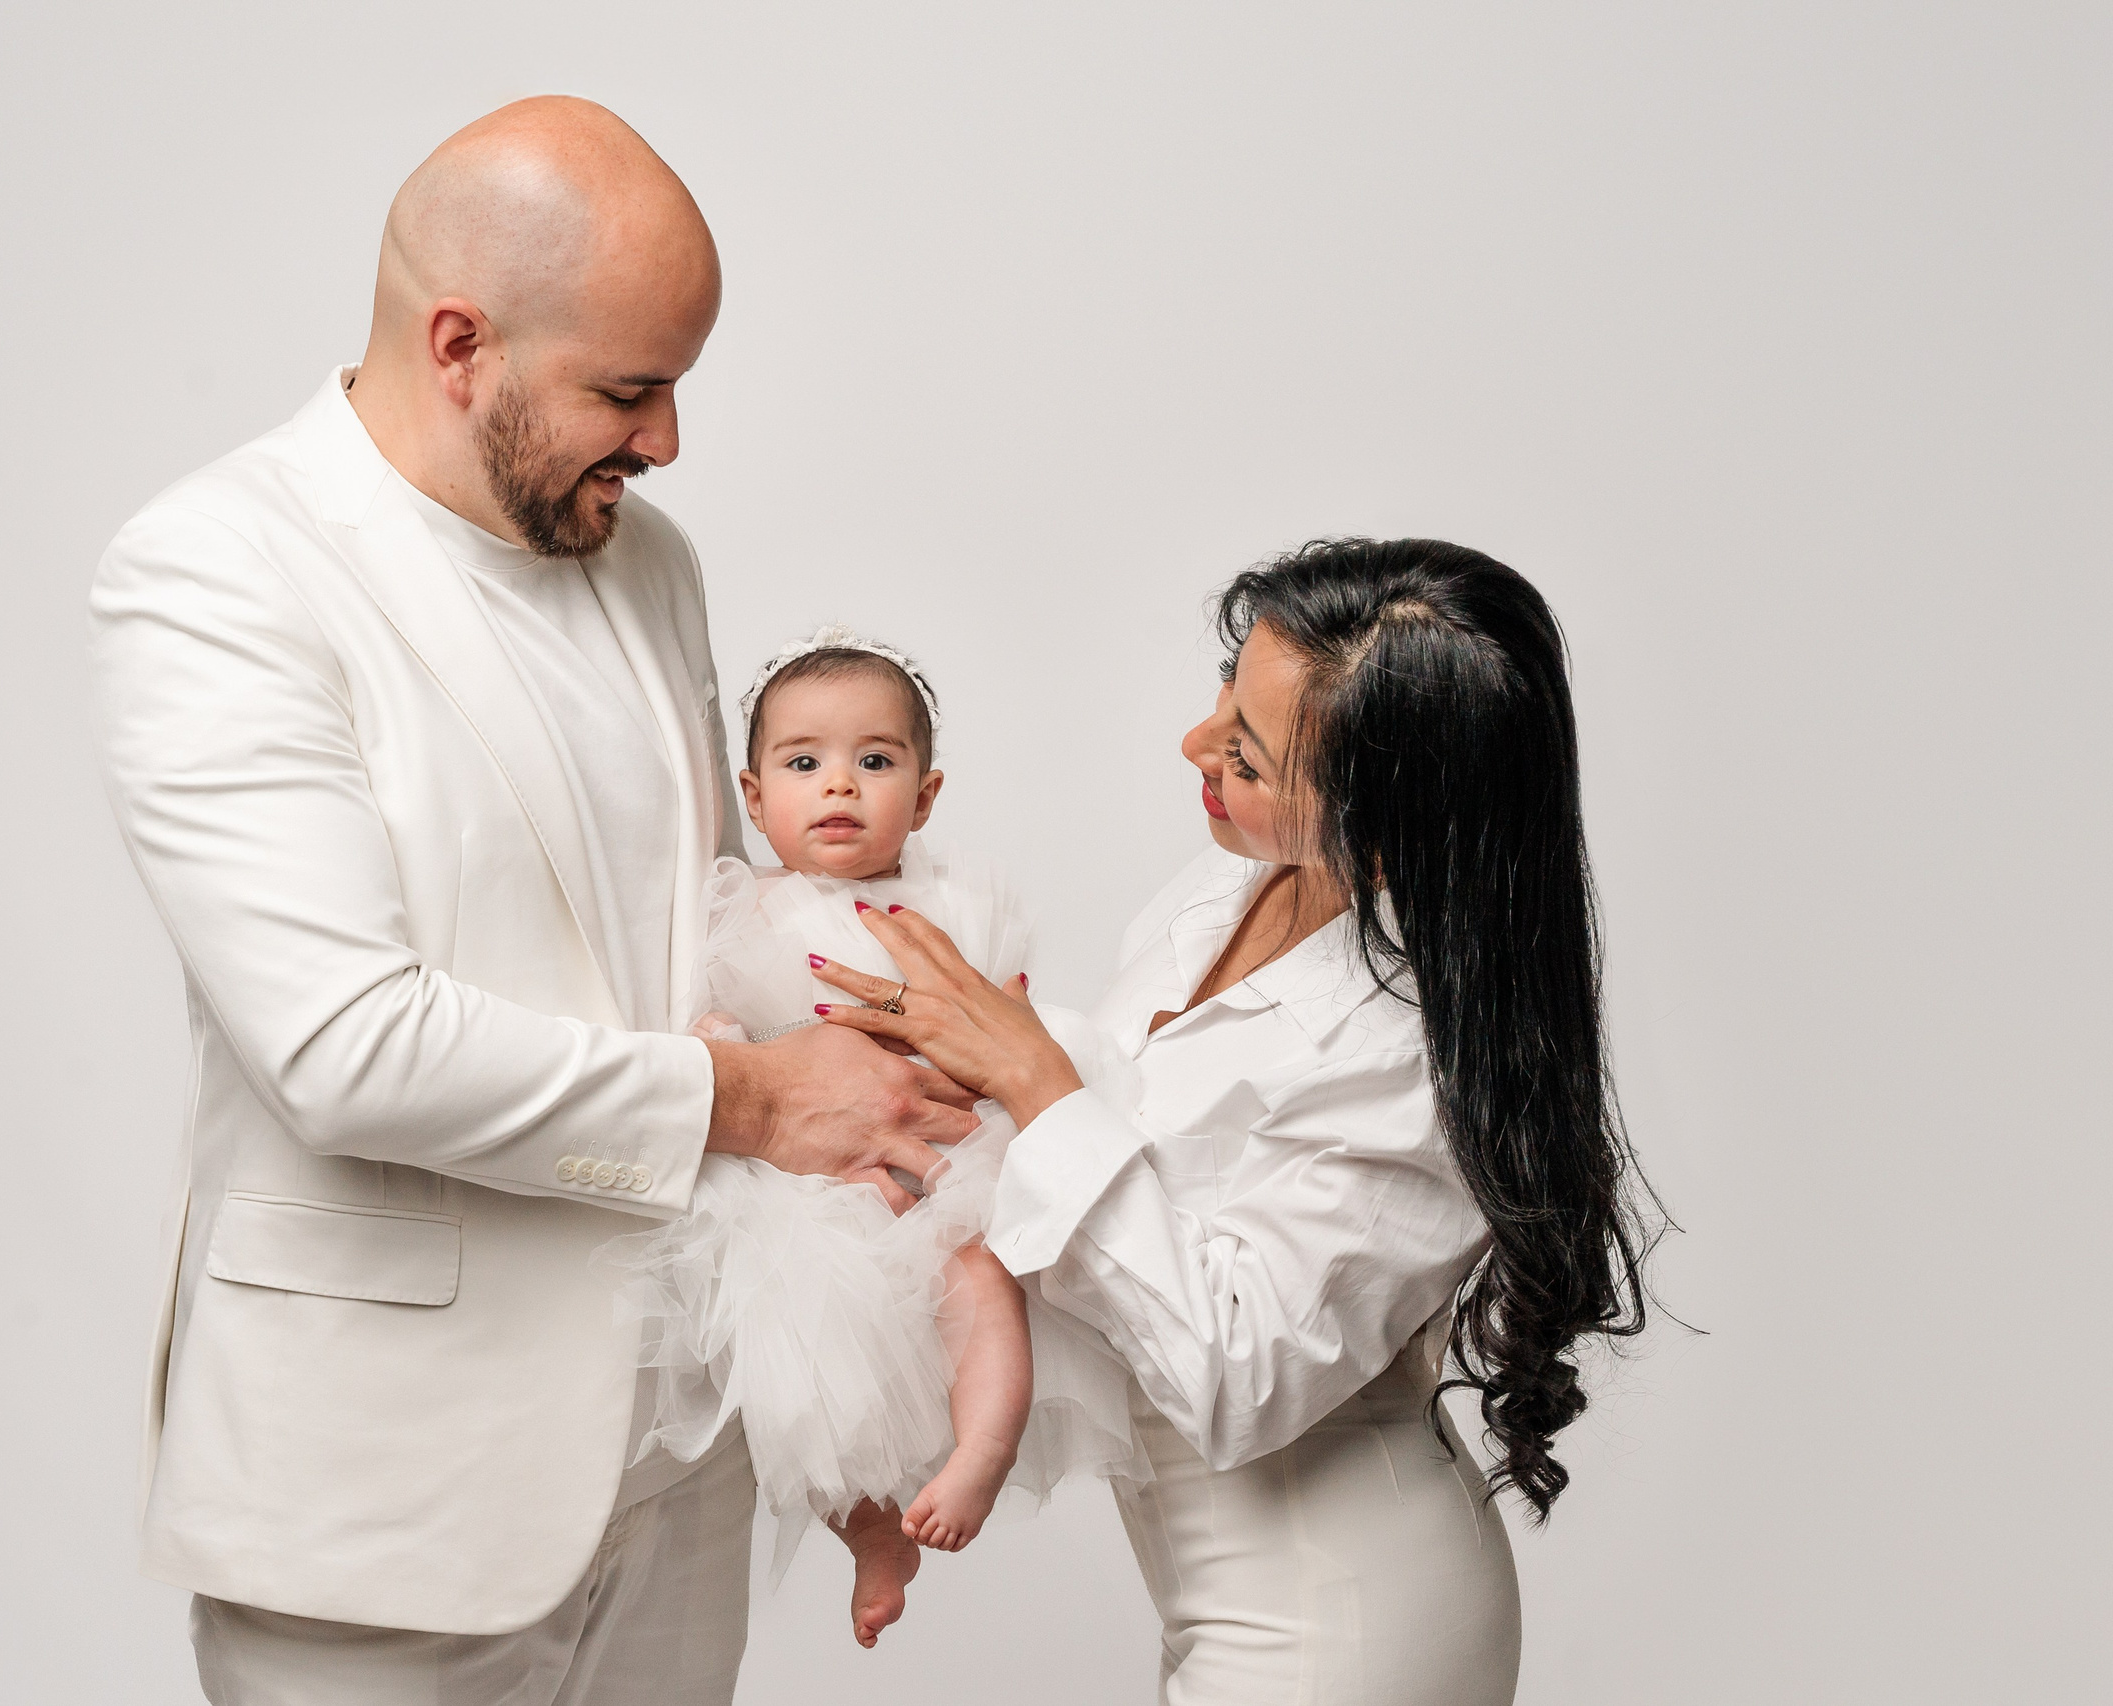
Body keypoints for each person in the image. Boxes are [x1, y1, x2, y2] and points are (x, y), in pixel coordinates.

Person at [89, 99, 974, 1706]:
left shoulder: (652, 564)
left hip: (677, 1463)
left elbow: (718, 919)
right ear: (459, 344)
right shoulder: (218, 568)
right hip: (384, 1496)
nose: (668, 441)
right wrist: (757, 1097)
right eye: (630, 390)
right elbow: (344, 1048)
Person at [813, 538, 1655, 1703]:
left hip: (1339, 1624)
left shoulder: (1415, 1048)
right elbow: (1123, 1133)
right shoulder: (1236, 883)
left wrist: (1033, 1082)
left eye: (1248, 754)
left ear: (1384, 817)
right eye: (1226, 691)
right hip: (1222, 1598)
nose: (1197, 745)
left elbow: (1237, 1376)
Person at [596, 629, 1139, 1649]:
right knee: (796, 1366)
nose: (838, 783)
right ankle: (869, 1533)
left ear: (925, 796)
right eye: (803, 763)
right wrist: (716, 1042)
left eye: (873, 761)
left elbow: (988, 1024)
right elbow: (711, 1015)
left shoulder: (947, 909)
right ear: (755, 799)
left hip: (933, 1166)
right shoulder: (742, 903)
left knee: (979, 1281)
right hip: (795, 1190)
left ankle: (983, 1442)